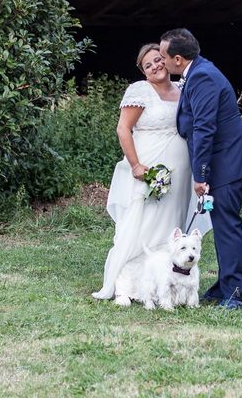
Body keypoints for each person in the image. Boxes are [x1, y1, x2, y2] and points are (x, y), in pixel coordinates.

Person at [92, 43, 211, 301]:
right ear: (143, 72)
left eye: (159, 60)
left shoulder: (182, 89)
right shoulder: (140, 91)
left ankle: (166, 284)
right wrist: (135, 165)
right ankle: (127, 285)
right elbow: (123, 129)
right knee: (144, 223)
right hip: (150, 169)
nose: (156, 66)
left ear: (168, 60)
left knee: (172, 224)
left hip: (179, 173)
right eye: (149, 65)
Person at [159, 28, 242, 310]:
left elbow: (204, 128)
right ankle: (223, 286)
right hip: (227, 159)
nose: (161, 61)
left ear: (178, 59)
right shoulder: (199, 71)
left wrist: (201, 175)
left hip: (229, 161)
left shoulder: (202, 76)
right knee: (222, 224)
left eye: (164, 56)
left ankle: (236, 294)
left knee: (228, 226)